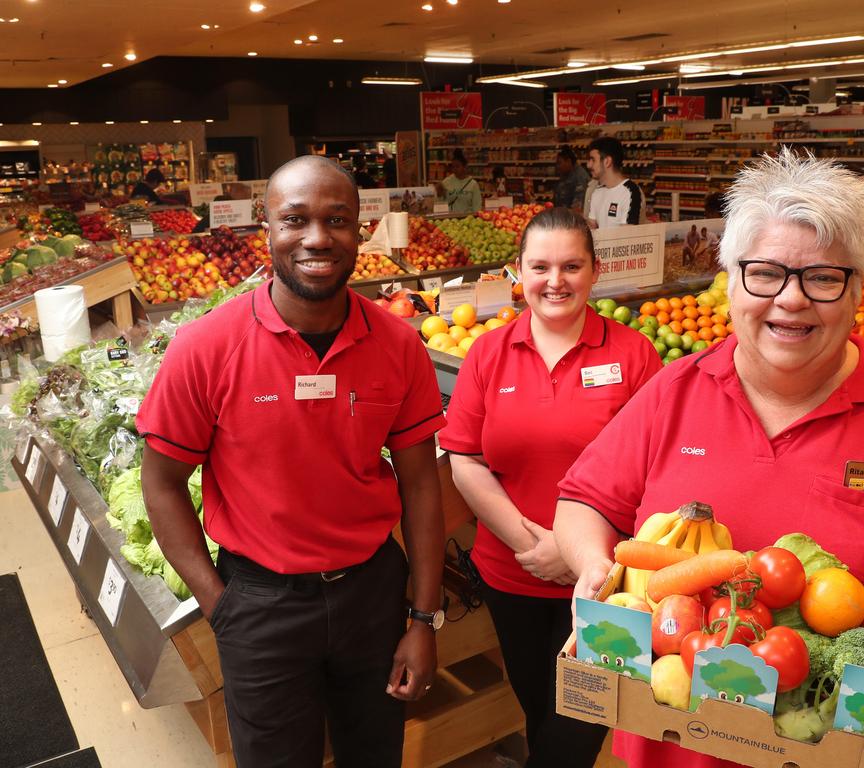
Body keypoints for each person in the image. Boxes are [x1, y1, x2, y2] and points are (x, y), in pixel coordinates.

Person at [553, 148, 864, 768]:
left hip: (846, 748)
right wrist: (593, 570)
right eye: (766, 272)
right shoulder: (674, 390)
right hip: (675, 749)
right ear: (731, 280)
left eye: (823, 278)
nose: (791, 299)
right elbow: (584, 500)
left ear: (857, 290)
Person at [137, 155, 447, 768]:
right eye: (294, 220)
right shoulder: (206, 346)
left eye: (337, 219)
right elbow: (163, 483)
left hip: (372, 597)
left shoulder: (399, 344)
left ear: (362, 229)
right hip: (259, 603)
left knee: (375, 754)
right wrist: (218, 605)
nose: (316, 237)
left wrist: (422, 618)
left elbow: (421, 485)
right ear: (266, 229)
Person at [440, 207, 663, 767]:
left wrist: (575, 552)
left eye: (571, 265)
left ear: (594, 272)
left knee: (579, 724)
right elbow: (465, 459)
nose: (555, 281)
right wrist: (530, 544)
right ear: (519, 272)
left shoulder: (634, 356)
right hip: (512, 573)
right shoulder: (488, 353)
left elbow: (654, 473)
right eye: (540, 266)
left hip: (606, 586)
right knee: (537, 706)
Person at [585, 137, 643, 228]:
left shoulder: (630, 191)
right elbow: (592, 226)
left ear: (607, 162)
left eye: (593, 160)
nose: (588, 165)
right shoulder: (597, 192)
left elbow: (628, 235)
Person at [440, 149, 482, 214]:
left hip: (468, 220)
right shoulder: (446, 182)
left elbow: (477, 206)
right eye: (453, 167)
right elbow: (441, 202)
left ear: (465, 167)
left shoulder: (473, 184)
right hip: (451, 220)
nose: (454, 169)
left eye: (457, 166)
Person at [554, 146, 591, 211]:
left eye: (559, 163)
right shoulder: (566, 173)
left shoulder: (579, 176)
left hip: (571, 218)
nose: (557, 166)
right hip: (562, 214)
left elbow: (577, 206)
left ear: (568, 161)